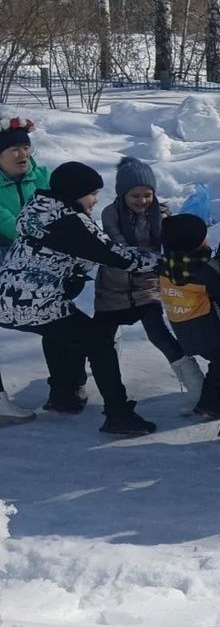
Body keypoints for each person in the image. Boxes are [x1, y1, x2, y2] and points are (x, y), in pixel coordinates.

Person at [0, 162, 159, 434]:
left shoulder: (38, 206)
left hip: (9, 298)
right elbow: (114, 255)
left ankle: (64, 396)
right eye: (92, 193)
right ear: (75, 192)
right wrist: (162, 263)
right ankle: (117, 414)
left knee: (60, 331)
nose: (96, 199)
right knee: (98, 342)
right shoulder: (69, 222)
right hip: (35, 303)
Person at [94, 157, 205, 401]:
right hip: (112, 285)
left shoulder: (162, 214)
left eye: (147, 195)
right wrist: (152, 259)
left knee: (158, 333)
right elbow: (118, 248)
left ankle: (198, 387)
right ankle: (104, 395)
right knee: (100, 339)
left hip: (147, 284)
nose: (142, 201)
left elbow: (171, 246)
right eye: (135, 196)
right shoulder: (110, 213)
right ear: (122, 194)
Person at [157, 213, 220, 437]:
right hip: (209, 330)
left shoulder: (165, 265)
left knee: (217, 364)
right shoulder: (204, 271)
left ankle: (208, 405)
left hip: (185, 331)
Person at [0, 117, 46, 426]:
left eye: (25, 148)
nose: (22, 155)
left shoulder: (42, 177)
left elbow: (61, 208)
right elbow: (8, 223)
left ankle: (68, 388)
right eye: (14, 149)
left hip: (39, 266)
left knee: (58, 320)